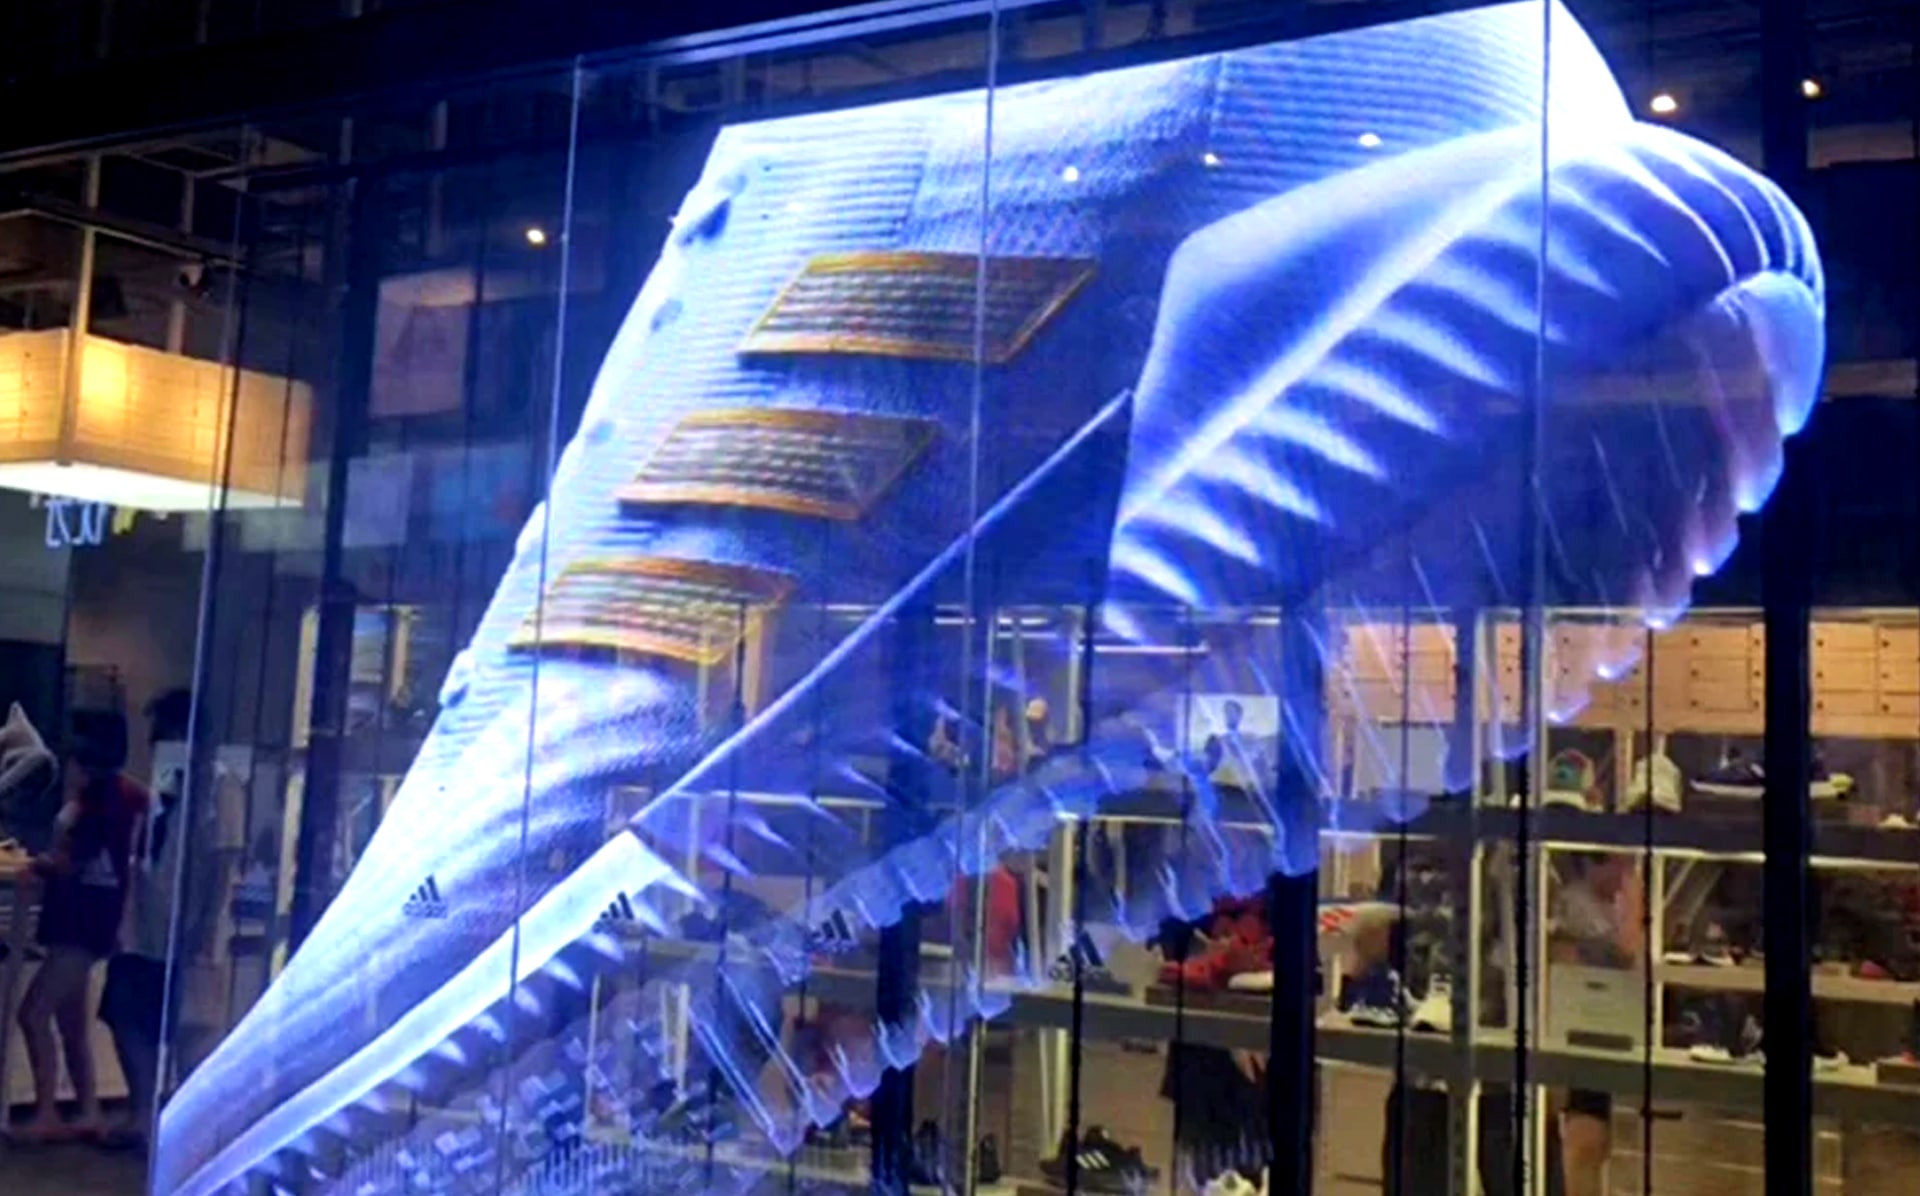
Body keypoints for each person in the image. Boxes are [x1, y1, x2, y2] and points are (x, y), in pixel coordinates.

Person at [11, 709, 149, 1143]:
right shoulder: (127, 795)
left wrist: (40, 865)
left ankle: (47, 1110)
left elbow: (73, 861)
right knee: (69, 1020)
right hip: (87, 919)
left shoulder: (101, 800)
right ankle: (87, 1108)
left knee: (34, 1013)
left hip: (79, 921)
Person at [98, 756, 185, 1150]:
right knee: (123, 1014)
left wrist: (200, 931)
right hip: (140, 931)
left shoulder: (214, 794)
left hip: (178, 936)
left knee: (175, 1027)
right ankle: (142, 1112)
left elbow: (221, 864)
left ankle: (163, 1123)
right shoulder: (151, 806)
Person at [1549, 851, 1644, 1196]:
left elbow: (1632, 957)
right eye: (1623, 866)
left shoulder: (1616, 901)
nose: (1627, 875)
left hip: (1608, 1028)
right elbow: (1624, 952)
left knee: (1596, 1143)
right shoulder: (1575, 902)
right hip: (1576, 1026)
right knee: (1583, 1141)